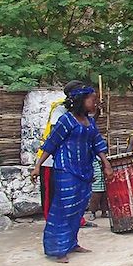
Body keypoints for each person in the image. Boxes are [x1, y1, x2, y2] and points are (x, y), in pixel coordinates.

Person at [32, 84, 113, 263]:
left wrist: (106, 164)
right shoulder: (66, 120)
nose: (95, 102)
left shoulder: (89, 122)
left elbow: (97, 144)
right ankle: (58, 249)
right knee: (64, 208)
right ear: (81, 100)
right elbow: (51, 143)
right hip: (66, 169)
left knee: (78, 208)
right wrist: (38, 165)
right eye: (92, 98)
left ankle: (72, 243)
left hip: (85, 170)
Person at [37, 81, 96, 228]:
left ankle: (76, 221)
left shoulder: (83, 115)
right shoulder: (60, 110)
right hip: (52, 160)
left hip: (71, 162)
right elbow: (56, 136)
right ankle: (52, 223)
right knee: (52, 194)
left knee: (74, 195)